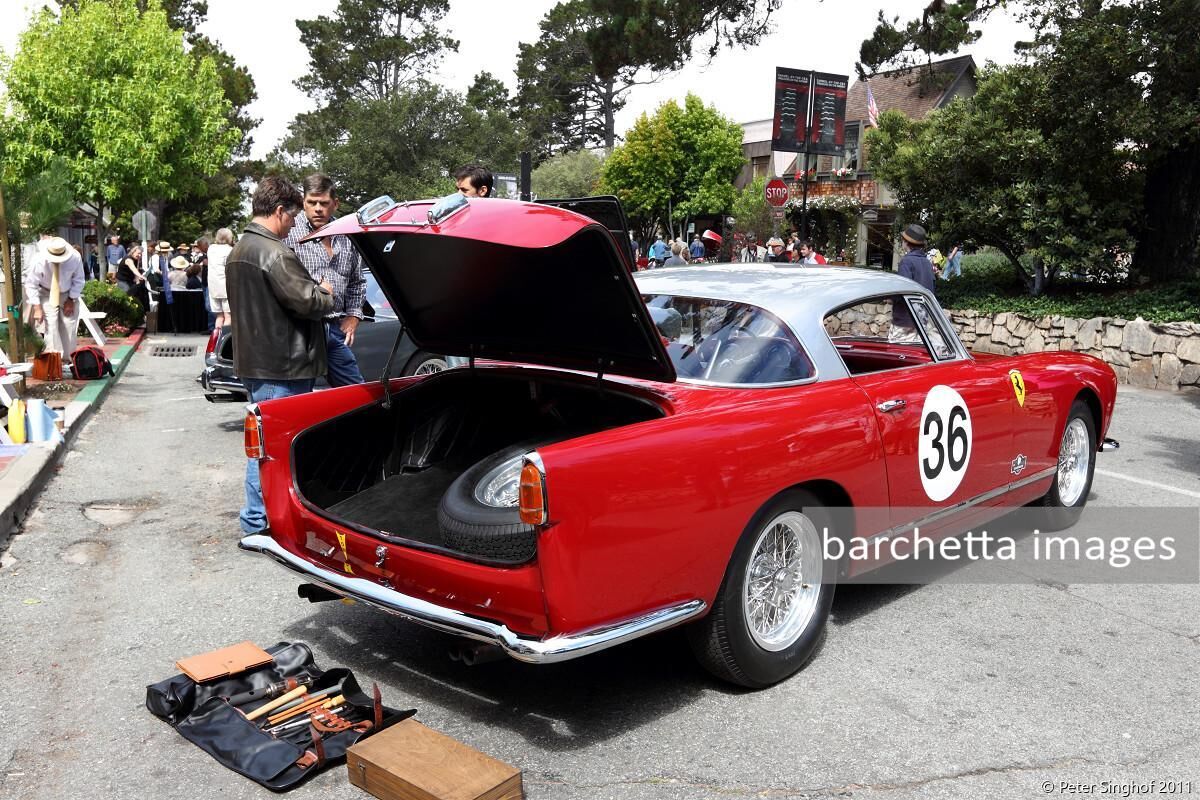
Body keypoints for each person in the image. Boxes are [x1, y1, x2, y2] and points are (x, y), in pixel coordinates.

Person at [228, 175, 333, 536]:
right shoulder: (273, 252)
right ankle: (258, 521)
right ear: (278, 211)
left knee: (264, 444)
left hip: (260, 362)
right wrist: (325, 292)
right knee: (270, 449)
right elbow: (307, 301)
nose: (293, 224)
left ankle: (262, 518)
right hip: (282, 366)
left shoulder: (240, 249)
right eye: (291, 217)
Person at [284, 173, 368, 387]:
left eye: (324, 203)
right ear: (304, 203)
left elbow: (357, 281)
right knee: (300, 398)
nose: (318, 208)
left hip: (336, 329)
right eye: (312, 203)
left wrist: (354, 315)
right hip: (302, 331)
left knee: (355, 394)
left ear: (335, 204)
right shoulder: (289, 232)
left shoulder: (346, 234)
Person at [24, 235, 84, 357]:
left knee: (69, 325)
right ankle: (53, 358)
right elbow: (31, 284)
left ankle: (67, 359)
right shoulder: (39, 260)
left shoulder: (74, 257)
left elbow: (79, 280)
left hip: (67, 293)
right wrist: (37, 308)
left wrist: (71, 299)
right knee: (50, 325)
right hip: (46, 292)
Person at [890, 223, 936, 343]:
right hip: (922, 320)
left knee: (898, 357)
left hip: (905, 321)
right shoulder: (927, 263)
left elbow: (902, 292)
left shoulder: (906, 262)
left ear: (906, 242)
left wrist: (889, 296)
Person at [207, 227, 234, 329]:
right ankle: (224, 341)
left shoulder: (211, 249)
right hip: (226, 286)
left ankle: (217, 340)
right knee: (228, 316)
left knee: (219, 317)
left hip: (213, 287)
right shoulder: (230, 250)